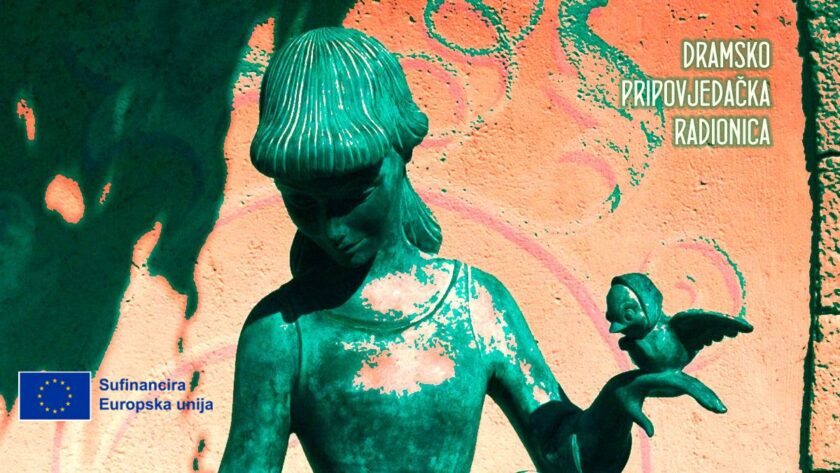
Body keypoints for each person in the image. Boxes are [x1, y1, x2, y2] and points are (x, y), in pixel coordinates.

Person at [219, 27, 725, 473]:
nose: (331, 227)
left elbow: (566, 456)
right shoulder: (280, 333)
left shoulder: (474, 304)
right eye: (302, 202)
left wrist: (618, 400)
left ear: (401, 154)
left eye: (354, 196)